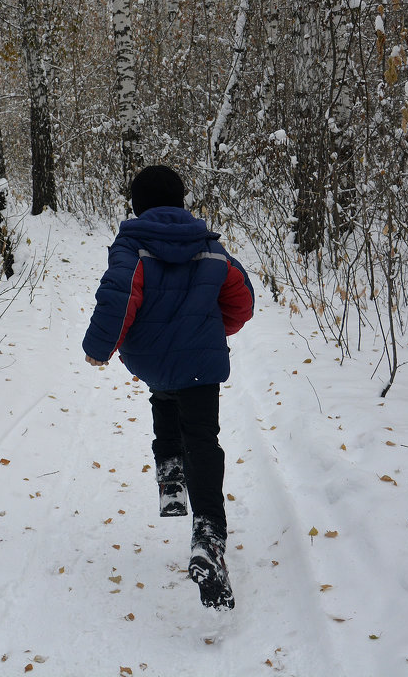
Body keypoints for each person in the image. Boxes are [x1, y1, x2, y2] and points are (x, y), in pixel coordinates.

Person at [82, 165, 254, 610]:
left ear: (136, 204)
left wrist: (100, 348)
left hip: (154, 358)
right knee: (203, 436)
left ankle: (171, 473)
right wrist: (211, 328)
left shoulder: (131, 246)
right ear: (181, 201)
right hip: (200, 361)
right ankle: (209, 532)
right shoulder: (209, 246)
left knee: (163, 390)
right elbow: (243, 302)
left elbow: (118, 296)